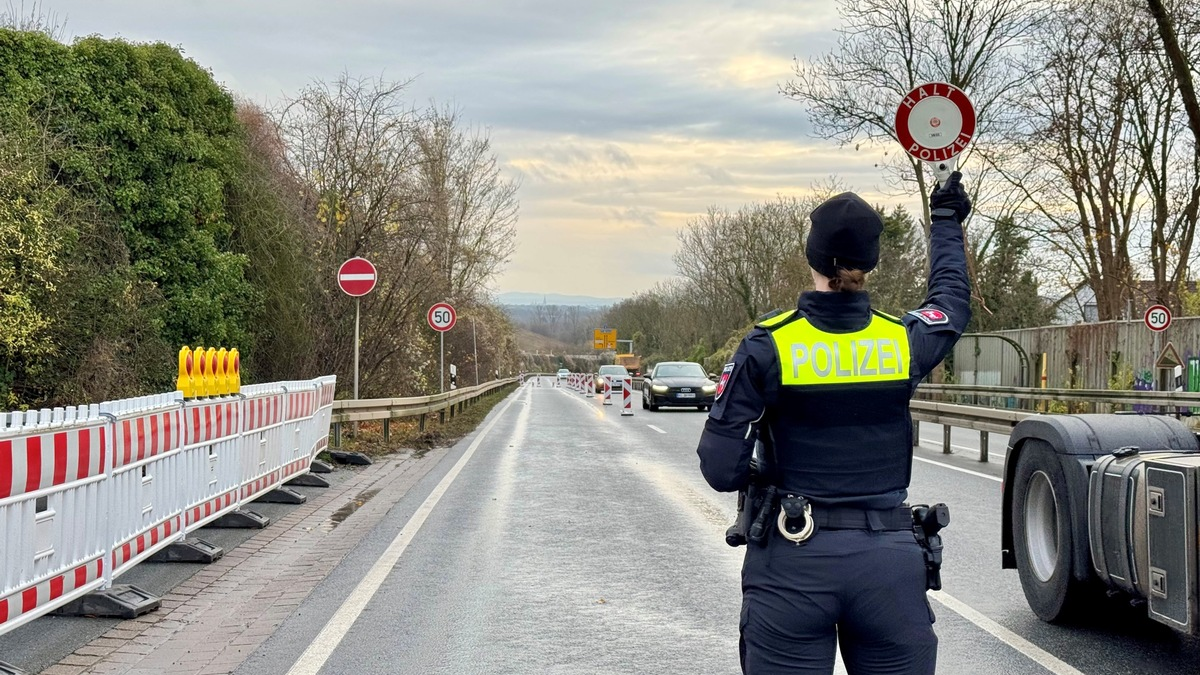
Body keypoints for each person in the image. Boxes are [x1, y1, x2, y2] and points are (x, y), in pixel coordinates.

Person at [696, 173, 972, 674]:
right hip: (889, 567)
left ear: (813, 256)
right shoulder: (901, 342)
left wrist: (757, 476)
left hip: (793, 561)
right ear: (871, 263)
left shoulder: (769, 344)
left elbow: (719, 467)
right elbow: (950, 301)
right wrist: (947, 221)